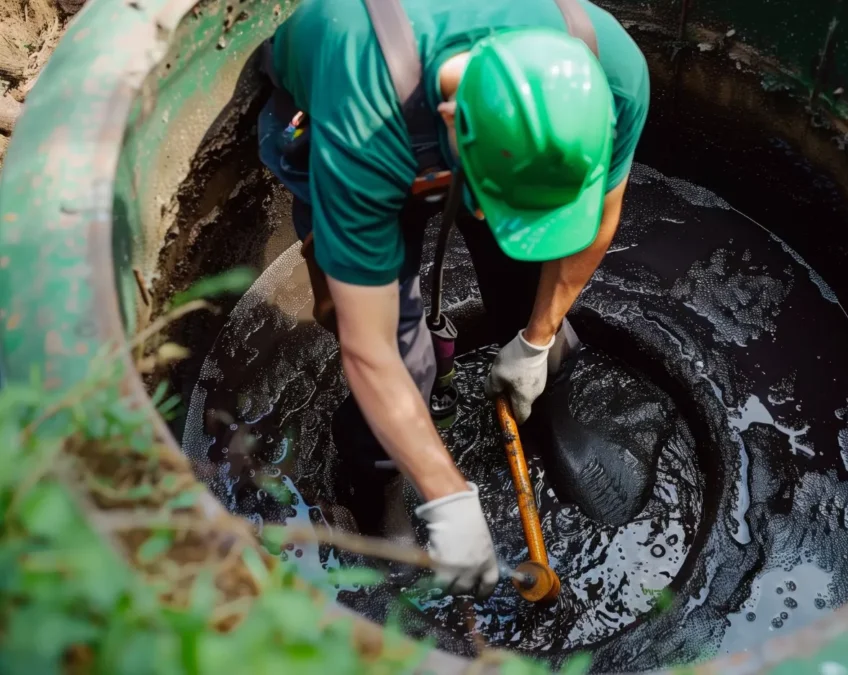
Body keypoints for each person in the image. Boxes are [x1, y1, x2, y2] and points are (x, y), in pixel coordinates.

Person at [257, 0, 650, 598]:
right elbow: (369, 350)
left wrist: (537, 337)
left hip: (456, 141)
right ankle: (376, 489)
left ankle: (547, 415)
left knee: (530, 290)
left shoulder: (611, 74)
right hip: (351, 119)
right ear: (450, 121)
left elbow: (600, 216)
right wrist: (450, 500)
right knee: (396, 352)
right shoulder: (362, 113)